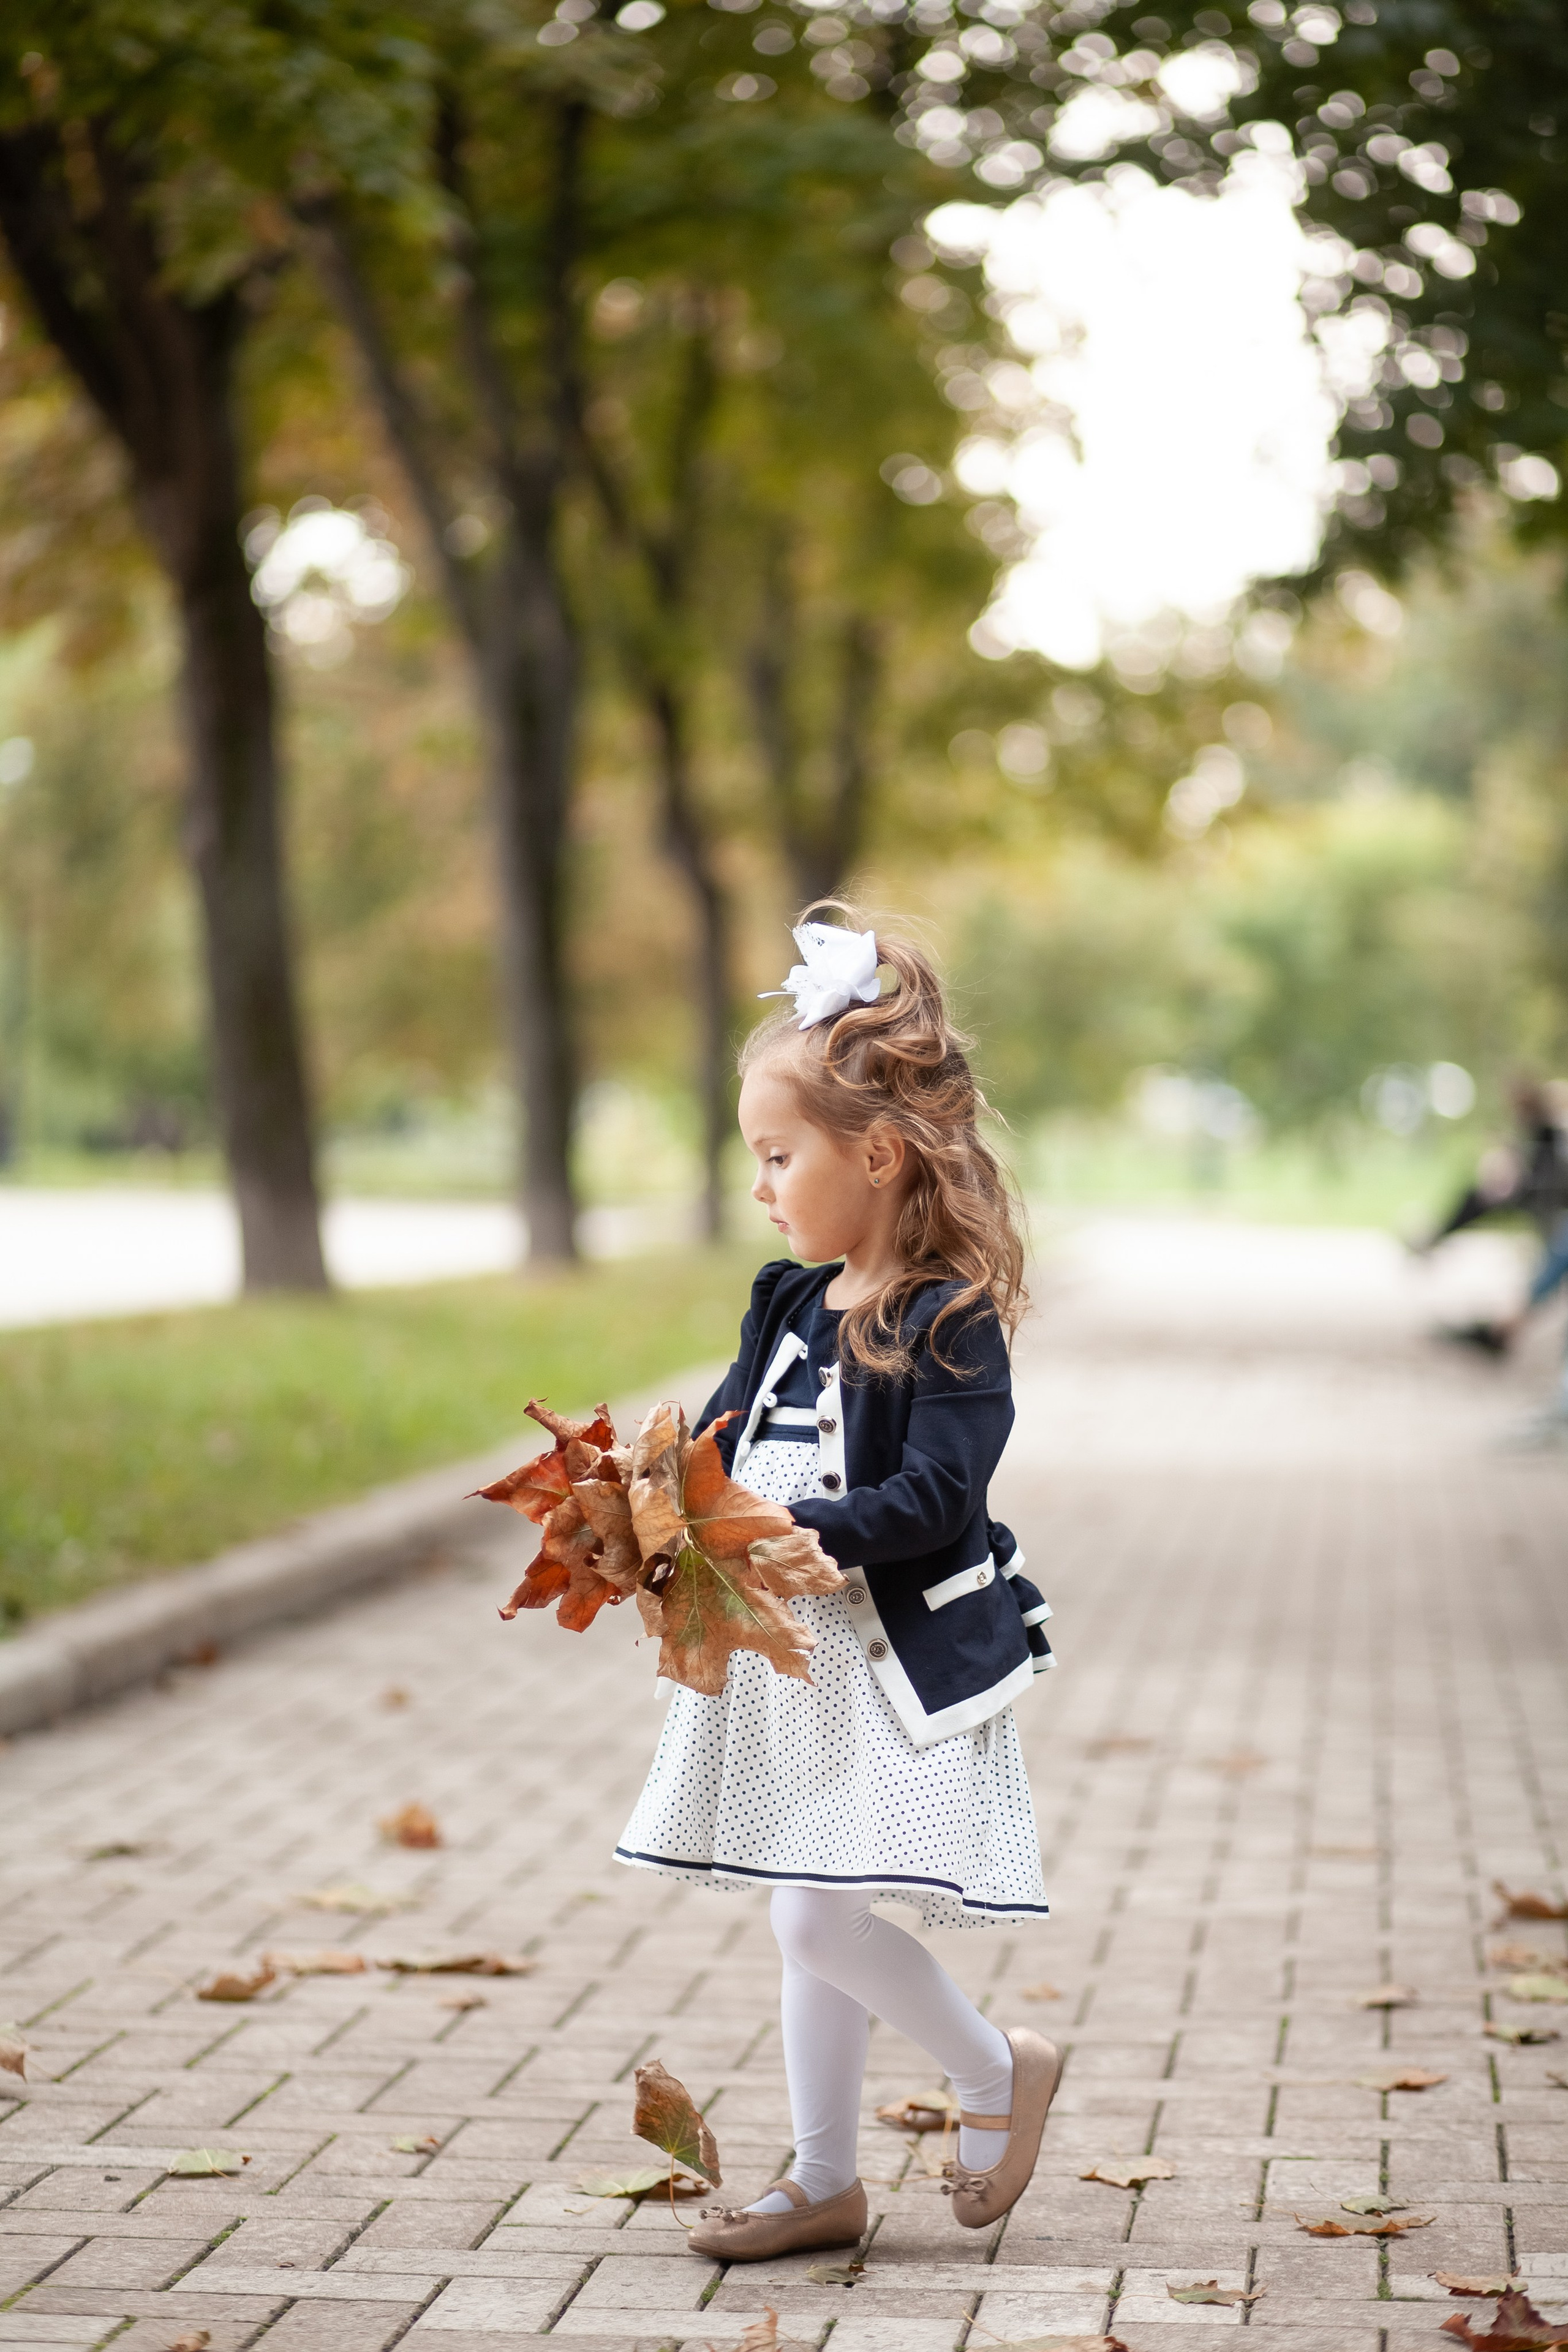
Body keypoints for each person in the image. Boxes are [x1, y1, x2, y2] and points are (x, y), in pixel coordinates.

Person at [614, 910, 1059, 2262]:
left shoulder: (946, 1318)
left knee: (814, 1905)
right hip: (788, 1663)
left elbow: (939, 1496)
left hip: (890, 1662)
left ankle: (993, 2077)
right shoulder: (790, 1302)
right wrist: (633, 1504)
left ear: (873, 1154)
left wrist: (821, 1531)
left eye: (774, 1155)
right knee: (803, 1904)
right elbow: (720, 1451)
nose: (758, 1185)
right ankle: (823, 2182)